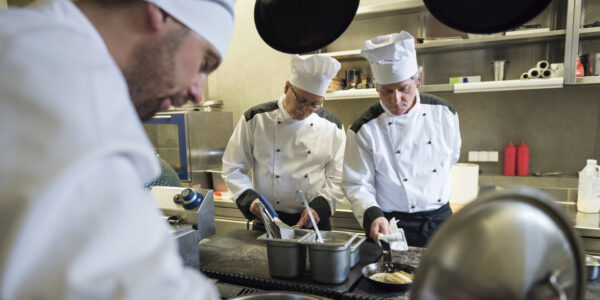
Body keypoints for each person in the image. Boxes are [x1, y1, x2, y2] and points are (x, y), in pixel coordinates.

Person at [0, 0, 235, 299]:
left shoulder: (19, 36)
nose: (197, 91)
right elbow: (134, 288)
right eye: (204, 63)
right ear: (161, 12)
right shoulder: (64, 74)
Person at [342, 31, 461, 247]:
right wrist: (371, 214)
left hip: (440, 224)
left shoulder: (444, 114)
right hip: (392, 227)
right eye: (386, 91)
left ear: (419, 80)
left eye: (403, 89)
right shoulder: (364, 129)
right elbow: (357, 184)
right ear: (376, 86)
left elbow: (452, 158)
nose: (395, 100)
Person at [222, 55, 345, 231]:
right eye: (301, 100)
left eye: (314, 104)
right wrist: (250, 200)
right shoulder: (256, 119)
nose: (305, 110)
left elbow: (338, 177)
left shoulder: (332, 126)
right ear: (287, 87)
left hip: (314, 222)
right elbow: (233, 167)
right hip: (267, 220)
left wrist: (319, 208)